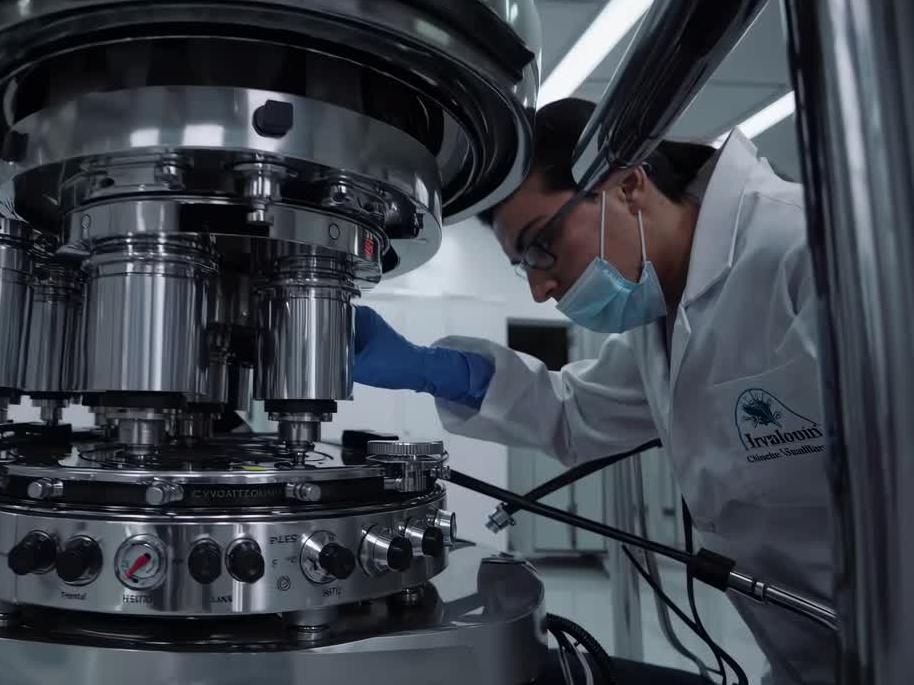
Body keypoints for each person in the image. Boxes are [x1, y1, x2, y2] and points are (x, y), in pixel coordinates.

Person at [353, 98, 835, 684]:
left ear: (628, 184)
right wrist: (433, 368)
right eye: (521, 265)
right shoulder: (661, 320)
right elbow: (572, 415)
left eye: (539, 246)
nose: (539, 288)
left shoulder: (811, 252)